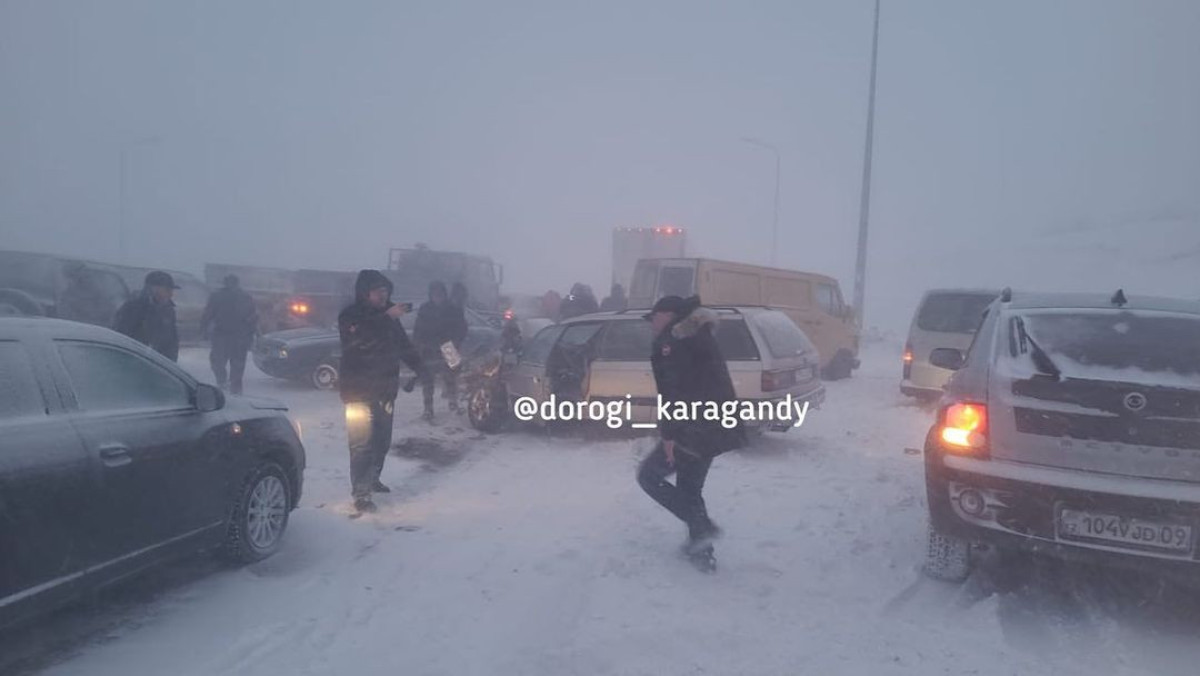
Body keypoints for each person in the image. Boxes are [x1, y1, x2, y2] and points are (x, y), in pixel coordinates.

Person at [637, 295, 746, 571]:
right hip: (714, 426)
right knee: (689, 488)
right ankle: (702, 552)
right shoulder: (698, 335)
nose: (652, 324)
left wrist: (670, 435)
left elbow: (675, 392)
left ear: (668, 315)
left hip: (694, 428)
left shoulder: (674, 343)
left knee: (648, 476)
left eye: (654, 317)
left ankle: (702, 527)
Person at [338, 270, 427, 514]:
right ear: (365, 293)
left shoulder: (389, 319)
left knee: (381, 441)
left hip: (385, 390)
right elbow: (359, 340)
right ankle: (361, 493)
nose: (383, 296)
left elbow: (403, 346)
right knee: (361, 444)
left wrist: (421, 368)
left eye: (386, 291)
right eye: (378, 292)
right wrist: (386, 317)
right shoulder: (351, 316)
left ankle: (373, 477)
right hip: (357, 391)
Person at [413, 280, 469, 420]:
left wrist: (455, 342)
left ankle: (453, 402)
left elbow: (462, 328)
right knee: (428, 380)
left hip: (449, 347)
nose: (437, 297)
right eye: (434, 294)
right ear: (430, 295)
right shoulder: (425, 309)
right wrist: (419, 344)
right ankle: (428, 409)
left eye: (440, 294)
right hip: (429, 348)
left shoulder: (454, 309)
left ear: (444, 294)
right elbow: (418, 329)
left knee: (451, 377)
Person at [201, 274, 259, 394]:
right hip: (238, 336)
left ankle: (223, 383)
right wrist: (252, 335)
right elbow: (253, 317)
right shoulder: (246, 297)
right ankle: (235, 389)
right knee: (237, 364)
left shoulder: (217, 296)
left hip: (222, 335)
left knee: (218, 362)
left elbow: (208, 314)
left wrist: (203, 329)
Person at [113, 270, 181, 362]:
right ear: (153, 289)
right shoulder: (133, 308)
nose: (171, 294)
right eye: (167, 290)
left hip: (160, 365)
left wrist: (170, 363)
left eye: (171, 290)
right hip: (135, 362)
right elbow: (121, 337)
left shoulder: (168, 310)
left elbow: (172, 341)